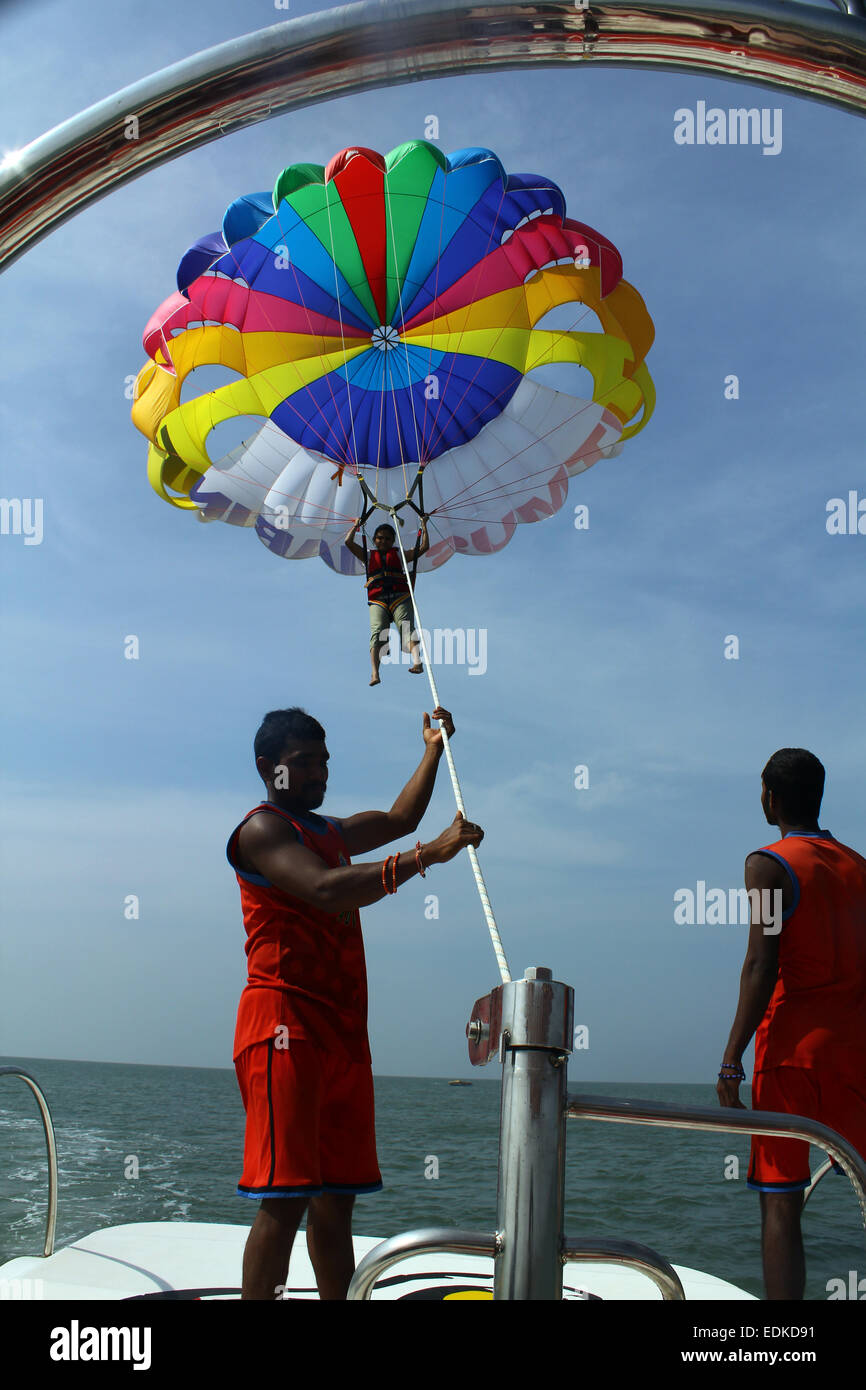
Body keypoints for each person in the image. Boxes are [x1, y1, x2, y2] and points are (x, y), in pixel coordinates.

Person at [227, 703, 483, 1300]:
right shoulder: (260, 831)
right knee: (284, 1201)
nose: (319, 773)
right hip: (282, 1027)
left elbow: (399, 817)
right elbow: (321, 888)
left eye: (324, 761)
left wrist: (432, 748)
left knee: (336, 1200)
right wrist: (429, 854)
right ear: (269, 768)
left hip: (342, 1033)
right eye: (303, 762)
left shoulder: (330, 832)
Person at [717, 748, 866, 1300]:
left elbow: (761, 963)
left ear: (772, 797)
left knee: (780, 1203)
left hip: (790, 1057)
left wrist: (731, 1058)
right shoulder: (860, 867)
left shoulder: (768, 864)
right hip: (854, 1055)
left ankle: (783, 1338)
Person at [344, 518, 430, 685]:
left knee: (407, 627)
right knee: (377, 633)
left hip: (400, 596)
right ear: (374, 539)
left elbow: (424, 547)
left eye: (387, 538)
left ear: (393, 541)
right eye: (379, 538)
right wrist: (356, 526)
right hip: (378, 599)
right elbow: (348, 542)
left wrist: (424, 525)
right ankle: (375, 674)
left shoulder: (399, 554)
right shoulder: (368, 555)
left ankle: (417, 662)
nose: (383, 541)